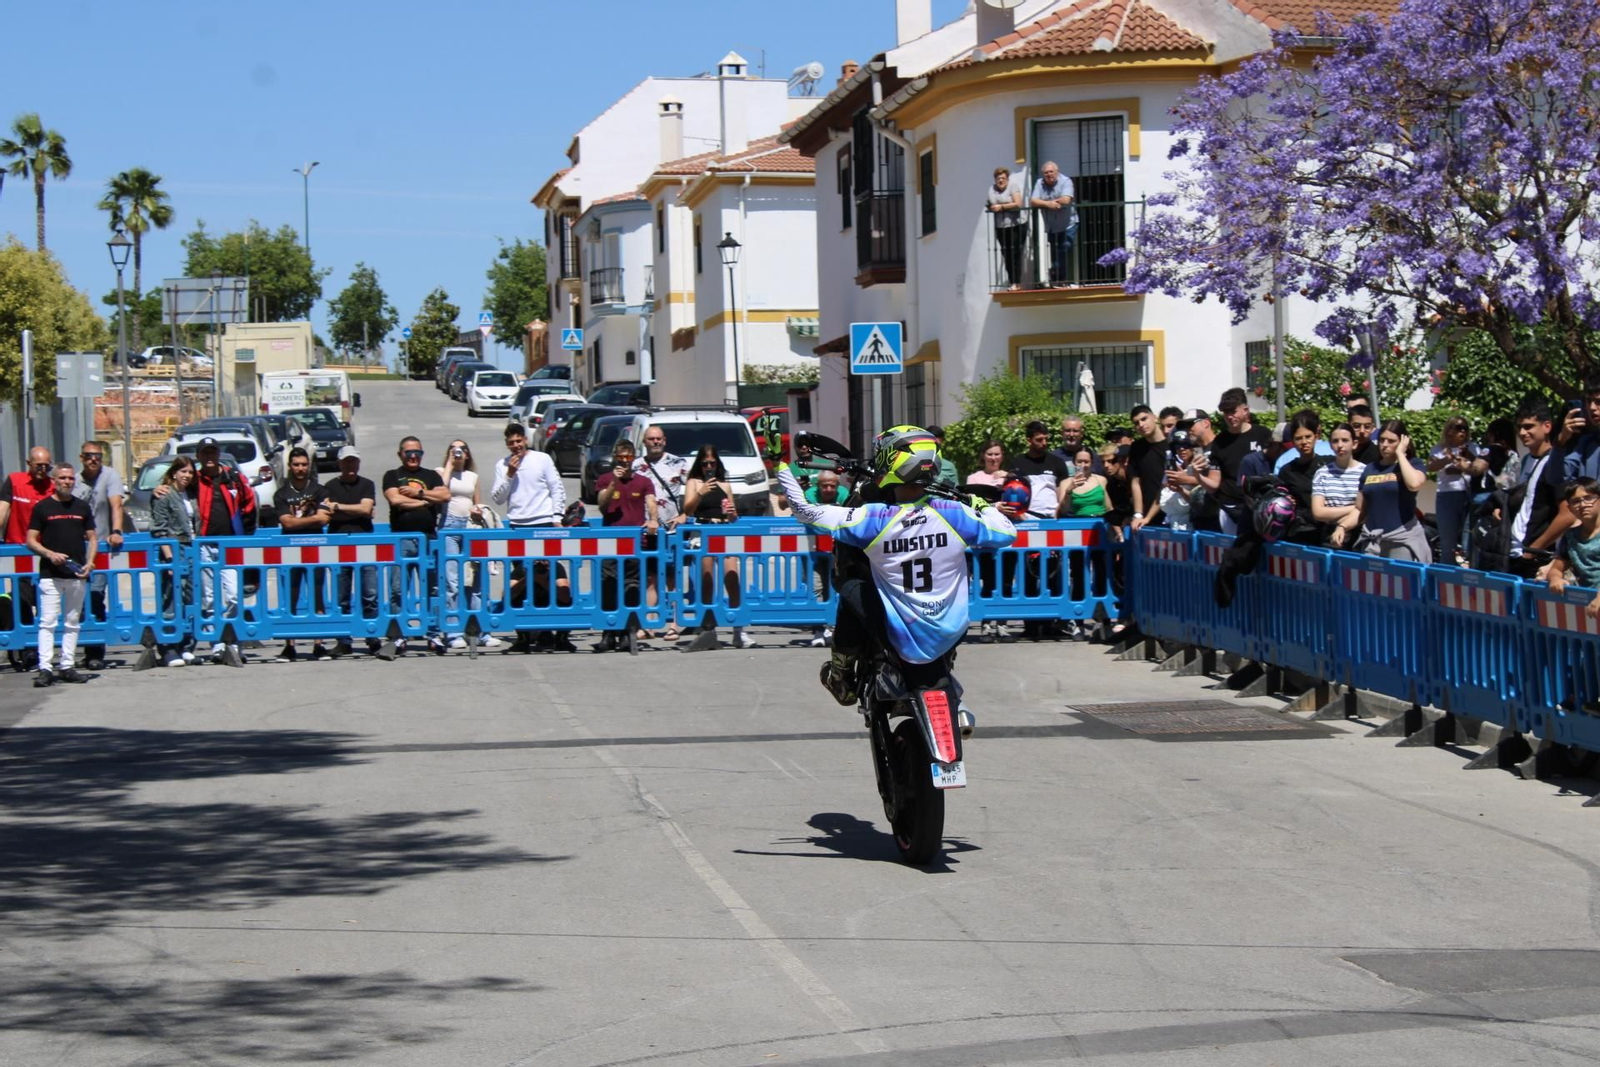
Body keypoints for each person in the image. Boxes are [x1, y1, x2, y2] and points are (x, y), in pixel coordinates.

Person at [777, 426, 1017, 707]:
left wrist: (780, 464)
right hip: (952, 628)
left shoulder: (875, 518)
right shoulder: (955, 512)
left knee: (851, 587)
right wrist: (981, 505)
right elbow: (1006, 532)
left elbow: (805, 510)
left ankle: (841, 675)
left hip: (901, 629)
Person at [491, 422, 573, 653]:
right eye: (511, 443)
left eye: (519, 441)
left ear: (525, 440)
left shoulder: (542, 459)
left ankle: (549, 631)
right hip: (519, 524)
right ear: (506, 445)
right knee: (523, 578)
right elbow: (497, 498)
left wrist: (557, 516)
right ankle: (525, 634)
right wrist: (509, 474)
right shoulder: (502, 465)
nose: (516, 446)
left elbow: (556, 487)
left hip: (544, 521)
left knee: (547, 572)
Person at [25, 463, 96, 687]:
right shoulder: (43, 508)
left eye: (70, 478)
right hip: (50, 574)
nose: (67, 482)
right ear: (54, 480)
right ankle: (45, 667)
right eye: (62, 478)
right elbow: (30, 540)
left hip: (76, 574)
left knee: (72, 622)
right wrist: (49, 554)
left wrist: (90, 562)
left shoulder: (82, 507)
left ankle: (67, 665)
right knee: (48, 622)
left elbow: (92, 538)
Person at [191, 437, 257, 663]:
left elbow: (250, 504)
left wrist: (245, 538)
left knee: (233, 596)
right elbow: (175, 492)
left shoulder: (234, 477)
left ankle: (234, 642)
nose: (209, 458)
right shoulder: (194, 479)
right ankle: (217, 644)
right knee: (208, 598)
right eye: (205, 453)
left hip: (231, 545)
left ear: (218, 454)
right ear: (199, 457)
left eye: (213, 453)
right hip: (203, 545)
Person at [683, 444, 756, 649]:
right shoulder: (694, 482)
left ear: (717, 464)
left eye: (712, 463)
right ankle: (708, 629)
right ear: (700, 464)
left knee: (732, 578)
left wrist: (733, 513)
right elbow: (687, 510)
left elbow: (732, 517)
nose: (708, 466)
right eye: (705, 463)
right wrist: (700, 492)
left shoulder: (725, 486)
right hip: (704, 530)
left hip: (723, 531)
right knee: (707, 581)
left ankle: (738, 630)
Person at [383, 436, 449, 655]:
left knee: (432, 588)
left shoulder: (430, 475)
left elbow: (445, 495)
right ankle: (399, 635)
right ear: (400, 454)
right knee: (397, 589)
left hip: (429, 539)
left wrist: (418, 492)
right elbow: (395, 500)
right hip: (401, 539)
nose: (413, 457)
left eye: (417, 453)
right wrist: (425, 502)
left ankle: (433, 634)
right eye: (408, 453)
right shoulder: (393, 475)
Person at [1332, 419, 1431, 562]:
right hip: (1373, 542)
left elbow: (1414, 484)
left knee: (1401, 584)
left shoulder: (1413, 464)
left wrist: (1401, 455)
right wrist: (1342, 527)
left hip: (1401, 540)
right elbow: (1360, 509)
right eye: (1382, 440)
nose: (1384, 445)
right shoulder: (1370, 469)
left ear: (1403, 442)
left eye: (1391, 441)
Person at [592, 439, 659, 652]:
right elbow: (602, 505)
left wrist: (654, 519)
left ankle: (626, 632)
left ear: (634, 458)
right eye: (620, 457)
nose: (624, 461)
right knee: (609, 586)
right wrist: (614, 482)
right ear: (615, 457)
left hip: (635, 543)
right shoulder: (605, 479)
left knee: (631, 587)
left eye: (628, 457)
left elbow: (651, 502)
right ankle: (608, 632)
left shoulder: (643, 481)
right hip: (610, 542)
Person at [437, 439, 499, 650]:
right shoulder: (442, 472)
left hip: (471, 528)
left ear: (468, 454)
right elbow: (440, 490)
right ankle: (454, 632)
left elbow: (477, 503)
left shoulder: (473, 476)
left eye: (462, 449)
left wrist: (477, 510)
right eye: (454, 449)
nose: (458, 452)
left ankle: (482, 631)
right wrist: (449, 464)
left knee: (477, 580)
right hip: (450, 527)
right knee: (452, 581)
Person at [633, 425, 691, 643]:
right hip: (646, 529)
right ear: (644, 442)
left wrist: (685, 514)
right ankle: (649, 624)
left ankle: (675, 624)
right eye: (651, 439)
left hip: (672, 530)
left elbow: (697, 488)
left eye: (658, 439)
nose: (655, 442)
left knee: (672, 579)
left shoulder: (679, 463)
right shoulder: (636, 465)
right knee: (649, 579)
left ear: (664, 440)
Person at [0, 446, 56, 670]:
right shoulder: (14, 481)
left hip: (46, 553)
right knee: (22, 601)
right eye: (38, 465)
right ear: (29, 463)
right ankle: (27, 650)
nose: (42, 470)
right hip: (19, 553)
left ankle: (45, 647)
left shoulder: (53, 486)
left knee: (44, 600)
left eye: (46, 466)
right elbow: (3, 509)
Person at [1505, 401, 1574, 579]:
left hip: (1537, 560)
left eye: (1529, 427)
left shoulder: (1555, 463)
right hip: (1514, 554)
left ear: (1547, 427)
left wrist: (1534, 549)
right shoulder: (1526, 459)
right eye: (1519, 427)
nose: (1522, 433)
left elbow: (1568, 514)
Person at [323, 446, 381, 657]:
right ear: (339, 464)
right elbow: (327, 511)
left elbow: (366, 509)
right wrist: (352, 509)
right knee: (342, 597)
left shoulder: (367, 484)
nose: (350, 466)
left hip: (364, 543)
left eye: (354, 461)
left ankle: (372, 637)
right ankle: (343, 639)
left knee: (370, 594)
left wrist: (338, 507)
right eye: (346, 462)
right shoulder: (329, 486)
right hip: (339, 546)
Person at [273, 446, 330, 661]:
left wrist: (298, 522)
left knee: (317, 596)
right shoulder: (282, 494)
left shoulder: (319, 490)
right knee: (291, 597)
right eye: (296, 464)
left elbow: (324, 518)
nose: (300, 468)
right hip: (289, 551)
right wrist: (310, 519)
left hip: (315, 549)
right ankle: (290, 646)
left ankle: (319, 644)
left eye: (304, 465)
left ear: (309, 466)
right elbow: (285, 521)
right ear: (289, 467)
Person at [71, 440, 124, 671]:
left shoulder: (109, 475)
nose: (94, 459)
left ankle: (96, 652)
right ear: (81, 458)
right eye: (89, 455)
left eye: (98, 456)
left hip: (100, 545)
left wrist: (116, 531)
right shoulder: (73, 479)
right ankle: (77, 648)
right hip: (76, 547)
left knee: (95, 595)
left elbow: (116, 505)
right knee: (77, 599)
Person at [1197, 387, 1272, 535]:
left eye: (1233, 411)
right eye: (1226, 412)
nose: (1229, 416)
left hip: (1260, 507)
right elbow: (1214, 484)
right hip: (1230, 509)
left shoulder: (1263, 434)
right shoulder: (1220, 442)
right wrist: (1197, 475)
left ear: (1245, 410)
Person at [149, 456, 199, 667]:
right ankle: (168, 648)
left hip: (191, 549)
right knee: (170, 599)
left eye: (190, 472)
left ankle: (185, 645)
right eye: (183, 471)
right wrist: (169, 559)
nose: (187, 476)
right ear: (174, 473)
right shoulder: (165, 494)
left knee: (190, 598)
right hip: (174, 550)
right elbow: (159, 530)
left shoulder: (191, 494)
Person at [1425, 416, 1486, 565]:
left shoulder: (1473, 447)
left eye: (1465, 428)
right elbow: (1430, 466)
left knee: (1469, 540)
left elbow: (1480, 466)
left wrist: (1468, 457)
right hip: (1447, 496)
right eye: (1459, 427)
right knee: (1448, 543)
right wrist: (1447, 459)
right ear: (1449, 430)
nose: (1463, 431)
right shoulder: (1439, 449)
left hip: (1469, 495)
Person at [1276, 411, 1331, 545]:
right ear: (1293, 441)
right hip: (1300, 535)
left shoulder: (1330, 464)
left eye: (1308, 437)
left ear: (1316, 436)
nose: (1304, 442)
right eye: (1299, 438)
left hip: (1328, 533)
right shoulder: (1286, 471)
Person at [1311, 423, 1367, 545]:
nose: (1340, 445)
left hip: (1359, 534)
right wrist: (1355, 508)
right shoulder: (1322, 474)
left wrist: (1335, 515)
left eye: (1345, 440)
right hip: (1329, 535)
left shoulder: (1365, 472)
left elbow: (1366, 509)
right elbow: (1318, 512)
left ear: (1354, 444)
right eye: (1335, 441)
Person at [1546, 478, 1600, 597]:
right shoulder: (1571, 536)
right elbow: (1556, 568)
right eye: (1575, 501)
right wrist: (1555, 579)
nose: (1583, 505)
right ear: (1569, 508)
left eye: (1589, 498)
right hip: (1585, 600)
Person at [1029, 160, 1077, 287]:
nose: (1049, 175)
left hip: (1068, 224)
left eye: (1051, 172)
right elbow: (1033, 201)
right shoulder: (1039, 183)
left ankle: (1060, 278)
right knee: (1055, 254)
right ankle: (1058, 280)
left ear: (1057, 172)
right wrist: (1049, 204)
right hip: (1052, 226)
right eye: (1046, 173)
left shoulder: (1066, 181)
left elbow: (1066, 199)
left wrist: (1045, 202)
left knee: (1064, 249)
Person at [1008, 420, 1070, 520]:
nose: (1044, 443)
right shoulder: (1017, 464)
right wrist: (1021, 517)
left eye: (1046, 439)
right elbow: (1012, 494)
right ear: (1029, 440)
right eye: (1039, 440)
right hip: (1026, 519)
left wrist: (1058, 514)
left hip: (1052, 518)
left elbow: (1062, 494)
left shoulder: (1057, 463)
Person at [1127, 404, 1168, 532]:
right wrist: (1138, 514)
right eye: (1136, 423)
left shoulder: (1172, 445)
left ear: (1154, 418)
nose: (1141, 425)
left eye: (1144, 419)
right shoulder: (1136, 447)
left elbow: (1167, 483)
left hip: (1171, 512)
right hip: (1146, 517)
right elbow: (1135, 482)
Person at [987, 166, 1026, 289]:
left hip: (1017, 224)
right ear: (995, 179)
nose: (1000, 181)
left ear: (1007, 179)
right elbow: (993, 203)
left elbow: (1018, 203)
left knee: (1015, 253)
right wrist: (1010, 203)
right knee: (1006, 254)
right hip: (1001, 227)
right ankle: (1012, 281)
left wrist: (1002, 207)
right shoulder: (992, 189)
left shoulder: (1013, 186)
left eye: (1003, 178)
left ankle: (1016, 282)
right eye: (998, 178)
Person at [1559, 380, 1600, 480]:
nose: (1592, 407)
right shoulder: (1586, 444)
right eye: (1589, 401)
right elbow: (1555, 477)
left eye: (1598, 402)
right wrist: (1561, 440)